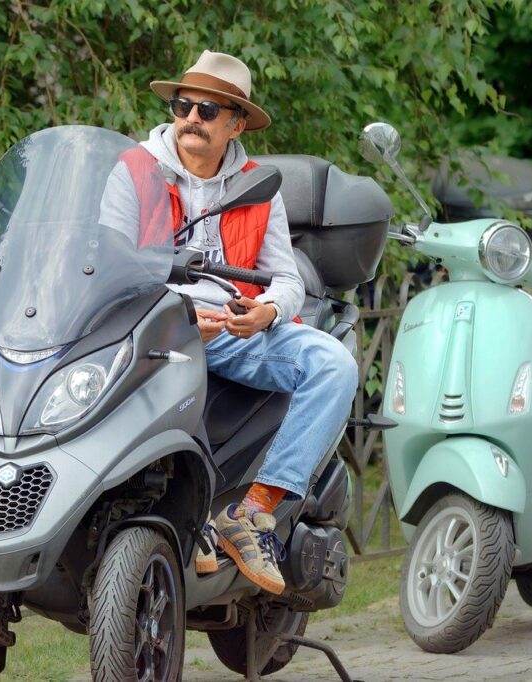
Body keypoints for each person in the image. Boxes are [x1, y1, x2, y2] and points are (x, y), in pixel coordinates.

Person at [99, 50, 358, 595]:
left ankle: (254, 512)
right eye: (183, 105)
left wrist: (267, 312)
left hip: (232, 333)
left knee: (334, 365)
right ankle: (175, 520)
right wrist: (183, 314)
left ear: (236, 123)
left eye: (208, 110)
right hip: (151, 330)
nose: (191, 117)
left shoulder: (259, 185)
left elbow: (287, 279)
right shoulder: (134, 171)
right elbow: (110, 269)